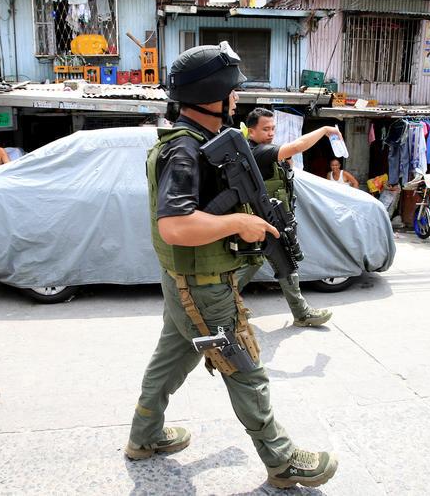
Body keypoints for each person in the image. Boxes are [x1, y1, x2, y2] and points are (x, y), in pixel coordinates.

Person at [125, 43, 337, 489]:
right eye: (233, 90)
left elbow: (260, 161)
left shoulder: (207, 144)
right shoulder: (182, 149)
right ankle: (282, 461)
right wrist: (238, 222)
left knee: (170, 359)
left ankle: (144, 437)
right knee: (245, 368)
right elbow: (175, 226)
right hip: (201, 287)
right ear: (212, 93)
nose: (237, 98)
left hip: (187, 283)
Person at [237, 108, 341, 328]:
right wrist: (323, 129)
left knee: (279, 263)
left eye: (273, 128)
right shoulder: (257, 151)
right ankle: (220, 304)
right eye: (265, 129)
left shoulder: (260, 151)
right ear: (251, 131)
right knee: (269, 263)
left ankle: (300, 313)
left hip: (273, 219)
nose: (271, 133)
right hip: (265, 220)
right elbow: (296, 146)